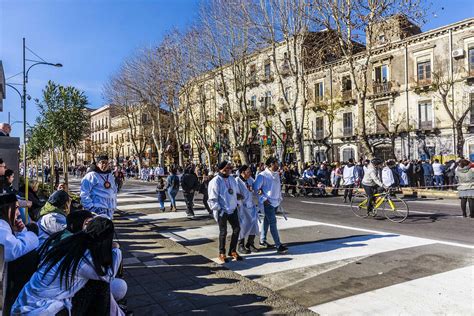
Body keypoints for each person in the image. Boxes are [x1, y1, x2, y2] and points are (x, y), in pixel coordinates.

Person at [12, 216, 123, 315]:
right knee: (101, 285)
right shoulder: (83, 258)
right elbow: (109, 275)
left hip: (27, 303)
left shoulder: (72, 242)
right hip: (42, 309)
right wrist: (116, 249)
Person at [0, 193, 39, 314]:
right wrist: (30, 235)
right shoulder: (1, 225)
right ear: (7, 208)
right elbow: (13, 250)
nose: (18, 213)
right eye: (16, 208)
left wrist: (21, 231)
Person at [208, 161, 242, 263]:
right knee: (223, 232)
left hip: (233, 209)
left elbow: (235, 192)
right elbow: (212, 199)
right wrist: (219, 209)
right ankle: (221, 252)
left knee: (237, 229)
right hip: (222, 211)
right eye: (226, 168)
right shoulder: (215, 181)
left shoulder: (232, 179)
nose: (228, 170)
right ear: (221, 169)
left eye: (230, 168)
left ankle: (232, 251)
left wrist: (238, 200)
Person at [253, 157, 288, 254]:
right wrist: (263, 199)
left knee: (267, 221)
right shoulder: (262, 175)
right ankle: (278, 245)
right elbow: (255, 188)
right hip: (268, 203)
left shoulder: (276, 174)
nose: (277, 165)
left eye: (277, 163)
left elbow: (277, 187)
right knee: (273, 223)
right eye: (275, 164)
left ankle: (262, 240)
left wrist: (279, 197)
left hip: (276, 202)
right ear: (269, 165)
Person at [80, 154, 118, 219]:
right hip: (97, 210)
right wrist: (91, 208)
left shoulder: (110, 175)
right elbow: (84, 193)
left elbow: (114, 191)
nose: (104, 165)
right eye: (102, 162)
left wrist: (114, 205)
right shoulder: (91, 175)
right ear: (97, 164)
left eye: (106, 163)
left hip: (109, 209)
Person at [236, 165, 259, 254]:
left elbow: (256, 187)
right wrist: (238, 196)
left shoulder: (250, 180)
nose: (250, 173)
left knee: (254, 225)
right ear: (242, 172)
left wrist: (259, 190)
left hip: (251, 206)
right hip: (242, 207)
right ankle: (240, 245)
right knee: (243, 227)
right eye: (248, 172)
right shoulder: (237, 181)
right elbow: (234, 193)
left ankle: (250, 244)